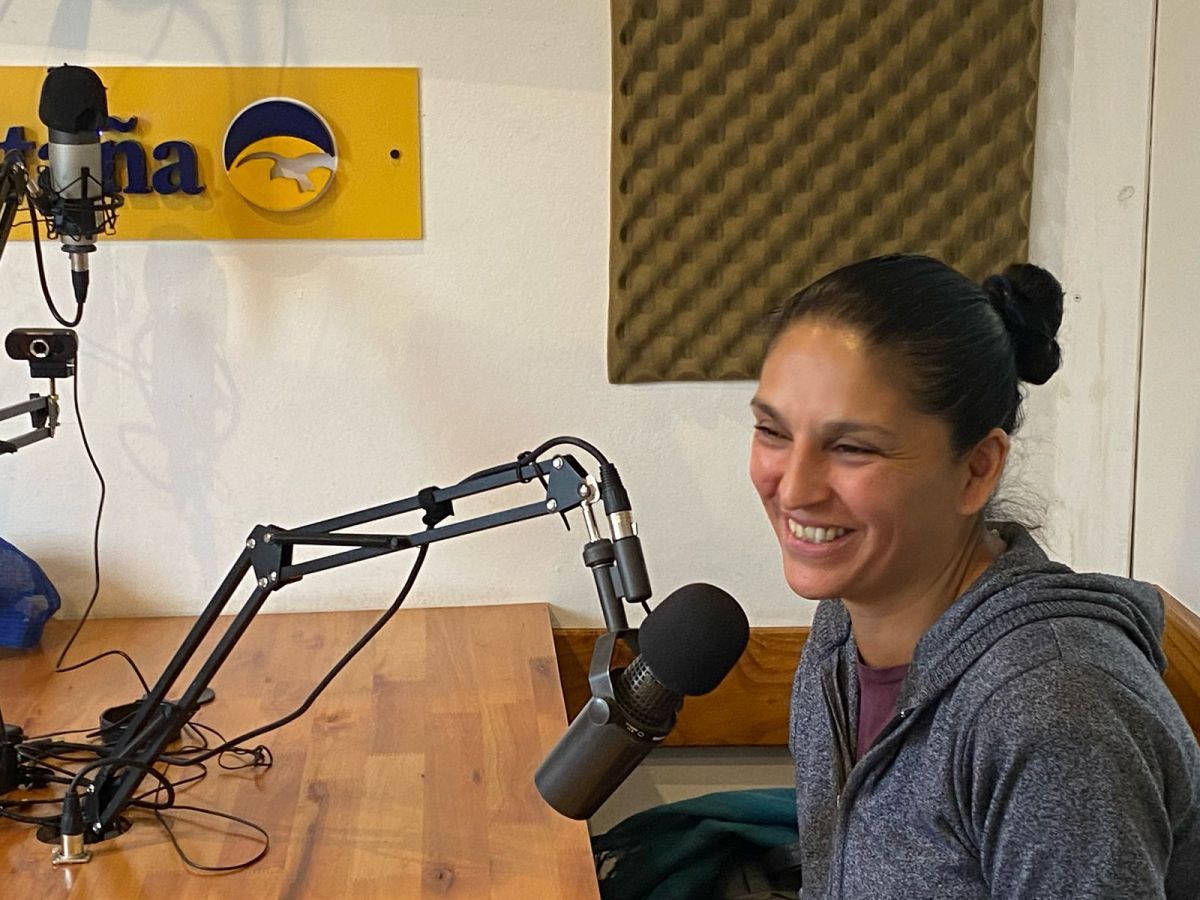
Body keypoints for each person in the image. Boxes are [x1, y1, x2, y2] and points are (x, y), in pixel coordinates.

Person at [748, 254, 1200, 898]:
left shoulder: (1053, 713)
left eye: (852, 448)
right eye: (772, 431)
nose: (792, 487)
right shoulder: (841, 631)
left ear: (977, 468)